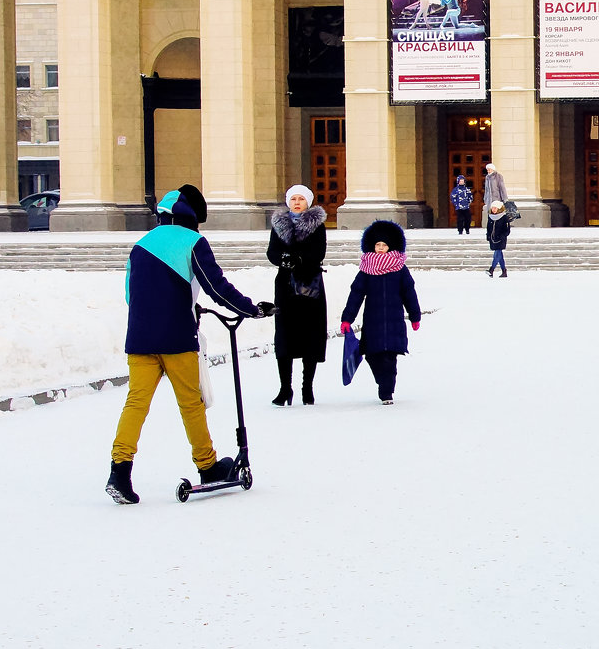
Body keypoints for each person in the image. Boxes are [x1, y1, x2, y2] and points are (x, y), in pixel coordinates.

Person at [106, 184, 273, 505]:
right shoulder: (193, 242)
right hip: (178, 337)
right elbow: (216, 286)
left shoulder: (140, 245)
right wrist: (252, 309)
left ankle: (119, 472)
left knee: (136, 404)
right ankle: (207, 465)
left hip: (140, 337)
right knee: (191, 404)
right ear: (193, 216)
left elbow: (129, 294)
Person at [340, 220, 422, 405]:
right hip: (373, 319)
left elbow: (409, 292)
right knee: (371, 354)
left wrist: (415, 315)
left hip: (394, 319)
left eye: (384, 245)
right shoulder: (366, 270)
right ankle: (382, 381)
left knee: (390, 357)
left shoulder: (400, 269)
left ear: (390, 246)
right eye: (377, 244)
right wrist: (347, 319)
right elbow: (356, 294)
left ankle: (387, 392)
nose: (380, 248)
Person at [266, 184, 328, 406]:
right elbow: (272, 252)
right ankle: (285, 389)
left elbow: (318, 252)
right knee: (284, 336)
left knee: (310, 336)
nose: (297, 202)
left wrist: (299, 260)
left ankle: (307, 388)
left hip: (309, 287)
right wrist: (284, 259)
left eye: (301, 199)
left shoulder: (317, 226)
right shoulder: (279, 224)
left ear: (308, 202)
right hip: (285, 287)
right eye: (293, 199)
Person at [486, 200, 510, 277]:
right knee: (499, 256)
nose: (494, 210)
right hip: (493, 239)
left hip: (500, 239)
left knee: (497, 254)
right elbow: (488, 228)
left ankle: (491, 270)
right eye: (493, 208)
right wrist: (488, 235)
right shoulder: (490, 217)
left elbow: (507, 230)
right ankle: (504, 271)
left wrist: (502, 236)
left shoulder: (504, 217)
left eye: (495, 208)